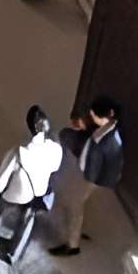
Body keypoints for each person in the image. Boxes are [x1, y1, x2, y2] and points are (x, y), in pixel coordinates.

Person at [0, 106, 62, 262]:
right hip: (37, 193)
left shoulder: (19, 151)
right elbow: (55, 168)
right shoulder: (56, 149)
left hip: (17, 193)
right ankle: (11, 252)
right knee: (27, 220)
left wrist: (0, 190)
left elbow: (2, 178)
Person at [46, 97, 126, 257]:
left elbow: (100, 167)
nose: (91, 119)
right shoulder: (109, 128)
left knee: (74, 204)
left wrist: (86, 178)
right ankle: (75, 231)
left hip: (93, 177)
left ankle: (72, 244)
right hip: (90, 170)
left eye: (94, 116)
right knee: (75, 202)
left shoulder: (107, 142)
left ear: (104, 117)